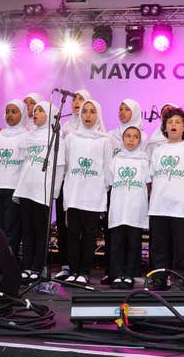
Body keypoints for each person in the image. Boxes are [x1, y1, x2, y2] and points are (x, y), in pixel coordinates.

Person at [148, 107, 184, 291]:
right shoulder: (158, 151)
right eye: (170, 122)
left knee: (180, 246)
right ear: (165, 127)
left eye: (178, 122)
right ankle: (159, 278)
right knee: (159, 246)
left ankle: (179, 279)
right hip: (158, 206)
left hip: (179, 207)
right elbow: (153, 175)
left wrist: (182, 193)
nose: (173, 125)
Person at [13, 101, 66, 282]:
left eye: (41, 111)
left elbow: (59, 168)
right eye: (34, 111)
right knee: (27, 230)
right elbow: (23, 162)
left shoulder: (57, 138)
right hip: (26, 187)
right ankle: (26, 266)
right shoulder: (28, 136)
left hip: (42, 190)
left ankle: (37, 267)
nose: (35, 113)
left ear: (51, 114)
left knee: (40, 231)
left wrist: (54, 193)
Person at [62, 100, 113, 287]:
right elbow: (66, 165)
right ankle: (73, 270)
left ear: (98, 114)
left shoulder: (104, 140)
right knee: (73, 234)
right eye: (85, 112)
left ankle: (84, 271)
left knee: (90, 235)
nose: (88, 115)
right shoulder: (71, 138)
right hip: (74, 193)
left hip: (93, 194)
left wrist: (104, 190)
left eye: (92, 112)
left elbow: (108, 168)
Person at [54, 88, 91, 281]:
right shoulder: (64, 127)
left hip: (84, 182)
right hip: (65, 180)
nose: (77, 102)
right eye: (75, 98)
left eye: (82, 99)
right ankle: (66, 265)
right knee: (63, 224)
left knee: (82, 227)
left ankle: (82, 268)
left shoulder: (95, 129)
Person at [107, 126, 150, 289]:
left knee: (133, 243)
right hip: (118, 207)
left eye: (135, 137)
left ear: (140, 140)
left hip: (135, 208)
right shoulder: (116, 160)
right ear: (122, 139)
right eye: (128, 136)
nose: (131, 140)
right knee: (117, 242)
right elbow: (110, 183)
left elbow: (148, 184)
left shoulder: (144, 161)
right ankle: (117, 274)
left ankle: (130, 275)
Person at [0, 99, 29, 256]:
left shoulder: (27, 136)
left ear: (23, 114)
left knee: (11, 228)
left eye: (14, 111)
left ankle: (9, 262)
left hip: (14, 188)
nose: (9, 115)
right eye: (7, 111)